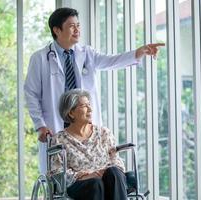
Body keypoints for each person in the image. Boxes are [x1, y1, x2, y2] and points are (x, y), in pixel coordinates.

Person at [24, 7, 164, 173]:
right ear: (56, 30)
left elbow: (112, 61)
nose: (77, 30)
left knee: (95, 169)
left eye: (78, 25)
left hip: (84, 126)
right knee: (60, 175)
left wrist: (139, 52)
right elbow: (31, 94)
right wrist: (40, 125)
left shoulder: (87, 53)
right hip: (57, 126)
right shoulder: (40, 58)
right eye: (71, 26)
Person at [50, 89, 127, 200]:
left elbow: (116, 160)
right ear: (71, 113)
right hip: (80, 185)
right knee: (95, 184)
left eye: (89, 105)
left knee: (114, 172)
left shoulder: (104, 133)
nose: (90, 109)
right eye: (84, 106)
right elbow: (58, 173)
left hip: (109, 178)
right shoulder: (59, 140)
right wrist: (85, 176)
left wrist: (103, 172)